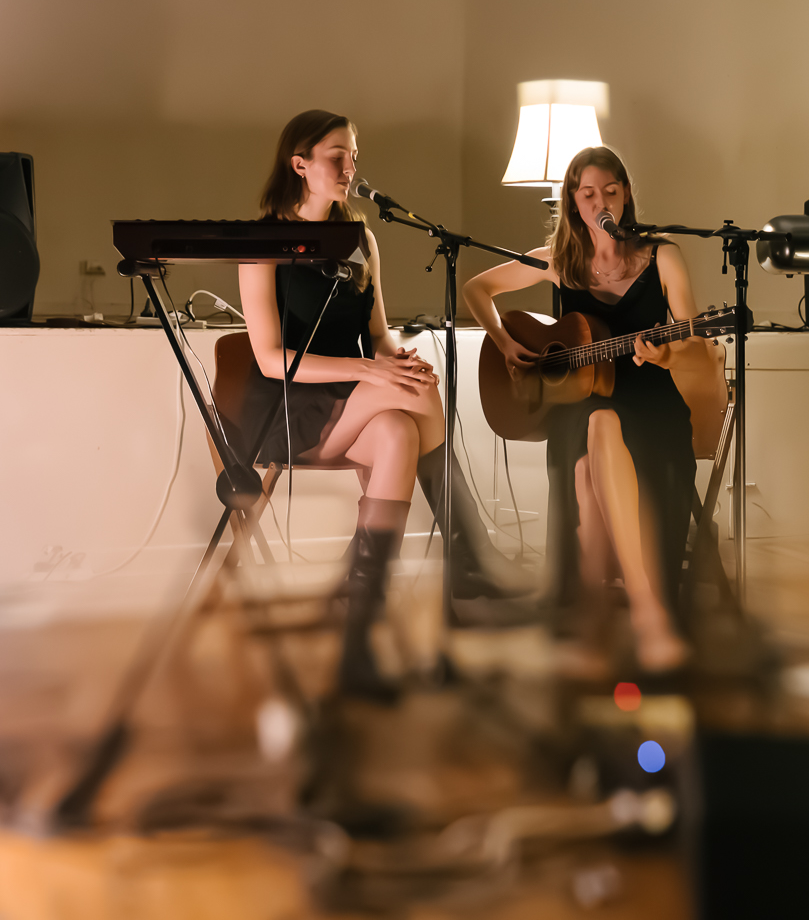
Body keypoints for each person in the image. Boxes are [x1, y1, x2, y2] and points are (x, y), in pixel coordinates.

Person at [463, 146, 706, 673]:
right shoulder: (559, 261)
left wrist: (665, 352)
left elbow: (694, 342)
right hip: (581, 402)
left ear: (626, 194)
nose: (601, 203)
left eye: (610, 191)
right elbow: (477, 289)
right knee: (596, 422)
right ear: (573, 202)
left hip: (651, 405)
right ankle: (646, 616)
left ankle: (601, 618)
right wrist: (505, 342)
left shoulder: (661, 256)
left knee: (591, 455)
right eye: (588, 193)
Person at [237, 110, 442, 700]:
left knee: (401, 431)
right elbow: (271, 359)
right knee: (412, 398)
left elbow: (377, 335)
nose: (350, 166)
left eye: (354, 155)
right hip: (286, 409)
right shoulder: (263, 242)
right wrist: (372, 372)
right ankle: (467, 542)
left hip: (350, 401)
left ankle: (358, 643)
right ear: (299, 165)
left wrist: (398, 360)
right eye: (337, 156)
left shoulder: (361, 239)